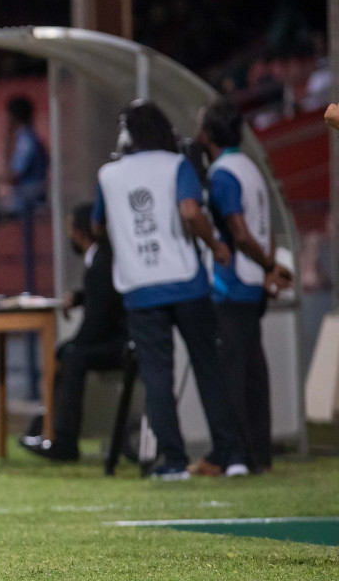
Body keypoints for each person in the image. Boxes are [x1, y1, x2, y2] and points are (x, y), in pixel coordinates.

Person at [92, 100, 247, 480]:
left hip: (140, 288)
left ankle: (174, 462)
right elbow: (191, 211)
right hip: (185, 282)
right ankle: (232, 456)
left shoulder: (108, 175)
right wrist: (217, 246)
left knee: (157, 376)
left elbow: (98, 227)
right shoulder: (176, 164)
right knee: (209, 369)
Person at [198, 99, 293, 474]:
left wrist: (268, 265)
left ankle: (236, 456)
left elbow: (239, 231)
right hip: (253, 284)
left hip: (233, 283)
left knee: (234, 374)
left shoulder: (222, 174)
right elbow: (264, 225)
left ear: (207, 134)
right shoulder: (251, 168)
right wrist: (268, 269)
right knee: (254, 372)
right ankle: (259, 455)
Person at [21, 204, 128, 462]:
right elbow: (105, 298)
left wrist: (72, 346)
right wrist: (79, 297)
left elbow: (99, 321)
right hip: (119, 338)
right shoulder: (104, 258)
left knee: (70, 356)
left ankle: (64, 440)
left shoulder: (102, 262)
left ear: (82, 232)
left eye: (71, 230)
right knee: (67, 353)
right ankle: (48, 428)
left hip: (122, 343)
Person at [4, 96, 48, 212]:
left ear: (13, 117)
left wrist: (6, 144)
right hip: (29, 199)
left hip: (28, 202)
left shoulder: (25, 140)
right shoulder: (29, 138)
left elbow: (14, 176)